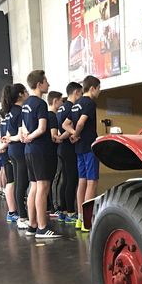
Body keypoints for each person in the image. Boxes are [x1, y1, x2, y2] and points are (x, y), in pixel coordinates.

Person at [21, 70, 62, 238]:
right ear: (39, 84)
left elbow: (24, 126)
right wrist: (30, 137)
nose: (48, 84)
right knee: (43, 187)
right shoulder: (40, 104)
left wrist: (26, 137)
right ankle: (43, 227)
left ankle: (32, 225)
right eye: (46, 81)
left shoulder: (25, 104)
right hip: (40, 150)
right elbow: (42, 128)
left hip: (29, 150)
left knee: (34, 187)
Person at [63, 75, 101, 232]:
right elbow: (80, 122)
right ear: (92, 88)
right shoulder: (89, 103)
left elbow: (65, 124)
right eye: (99, 89)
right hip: (89, 147)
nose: (99, 92)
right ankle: (87, 222)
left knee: (82, 182)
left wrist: (72, 134)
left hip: (78, 149)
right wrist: (77, 133)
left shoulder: (75, 104)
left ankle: (80, 218)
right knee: (92, 182)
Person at [2, 83, 30, 229]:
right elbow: (19, 135)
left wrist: (9, 139)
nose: (27, 93)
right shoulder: (19, 111)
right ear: (20, 94)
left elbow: (7, 135)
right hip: (19, 150)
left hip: (12, 151)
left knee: (19, 183)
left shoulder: (10, 112)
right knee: (22, 183)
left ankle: (20, 214)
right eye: (26, 91)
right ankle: (22, 216)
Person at [56, 82, 82, 223]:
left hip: (61, 148)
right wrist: (71, 135)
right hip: (68, 147)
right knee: (71, 179)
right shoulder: (72, 107)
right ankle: (70, 213)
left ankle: (63, 210)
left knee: (65, 179)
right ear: (76, 92)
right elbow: (68, 127)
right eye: (81, 93)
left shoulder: (61, 108)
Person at [0, 109, 18, 222]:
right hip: (9, 153)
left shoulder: (3, 121)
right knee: (12, 182)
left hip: (6, 152)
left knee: (10, 181)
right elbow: (8, 138)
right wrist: (1, 148)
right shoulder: (10, 120)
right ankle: (12, 211)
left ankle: (13, 210)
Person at [46, 90, 63, 218]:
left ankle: (51, 205)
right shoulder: (52, 116)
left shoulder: (47, 115)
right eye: (61, 100)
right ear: (55, 101)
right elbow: (53, 136)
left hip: (49, 152)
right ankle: (54, 207)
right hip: (53, 151)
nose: (62, 103)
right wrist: (68, 135)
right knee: (55, 179)